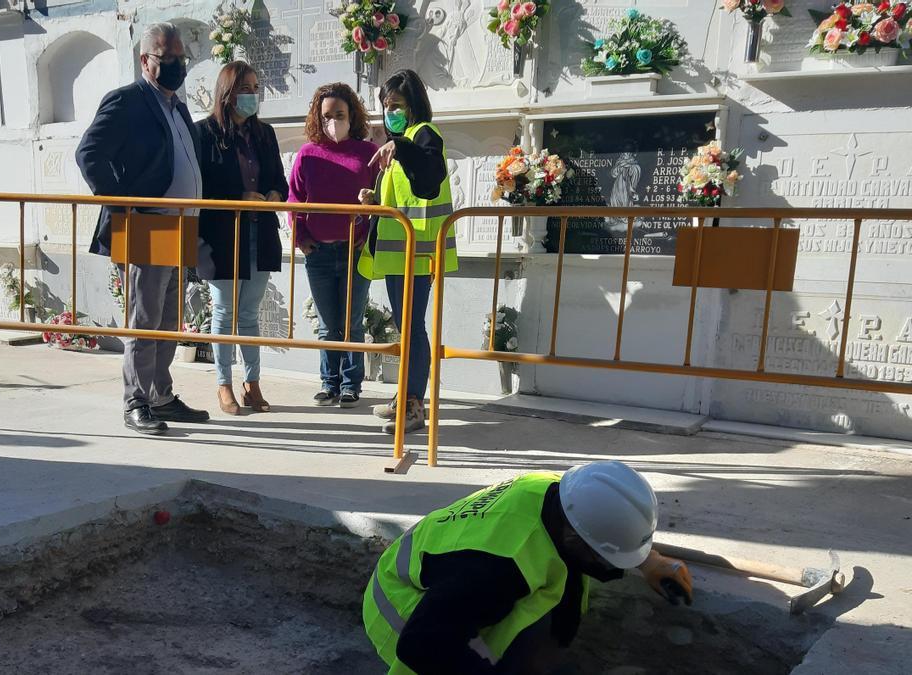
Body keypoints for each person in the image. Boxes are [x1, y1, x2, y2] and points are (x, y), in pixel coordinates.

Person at [363, 460, 694, 674]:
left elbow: (602, 521)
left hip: (447, 580)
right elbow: (421, 646)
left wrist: (649, 560)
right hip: (402, 614)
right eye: (608, 558)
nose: (610, 568)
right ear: (575, 537)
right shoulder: (495, 571)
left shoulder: (563, 490)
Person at [75, 22, 210, 436]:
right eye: (167, 57)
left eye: (181, 58)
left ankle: (161, 395)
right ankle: (135, 400)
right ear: (145, 60)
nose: (175, 65)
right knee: (143, 318)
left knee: (169, 318)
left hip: (179, 226)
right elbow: (89, 154)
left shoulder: (178, 106)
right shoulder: (126, 101)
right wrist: (124, 206)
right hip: (145, 223)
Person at [358, 70, 457, 434]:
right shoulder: (401, 142)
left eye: (396, 106)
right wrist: (374, 198)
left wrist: (400, 147)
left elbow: (430, 175)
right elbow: (403, 194)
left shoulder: (422, 135)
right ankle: (407, 398)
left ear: (414, 105)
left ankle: (414, 403)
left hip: (418, 252)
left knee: (412, 330)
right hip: (401, 254)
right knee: (407, 328)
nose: (390, 112)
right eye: (386, 106)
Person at [193, 62, 288, 415]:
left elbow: (280, 179)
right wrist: (239, 197)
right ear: (227, 92)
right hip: (220, 236)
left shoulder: (264, 133)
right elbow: (200, 186)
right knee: (223, 311)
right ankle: (223, 385)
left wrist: (276, 195)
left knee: (249, 313)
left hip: (258, 233)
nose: (252, 94)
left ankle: (253, 383)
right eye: (245, 88)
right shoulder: (203, 133)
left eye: (255, 87)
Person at [288, 83, 379, 408]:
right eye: (327, 115)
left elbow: (379, 199)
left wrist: (369, 236)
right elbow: (294, 199)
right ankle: (329, 383)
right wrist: (301, 238)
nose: (333, 121)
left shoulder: (368, 153)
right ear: (318, 117)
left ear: (351, 115)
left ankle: (352, 385)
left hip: (355, 251)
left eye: (339, 114)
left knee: (352, 322)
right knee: (328, 325)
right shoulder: (308, 155)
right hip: (320, 254)